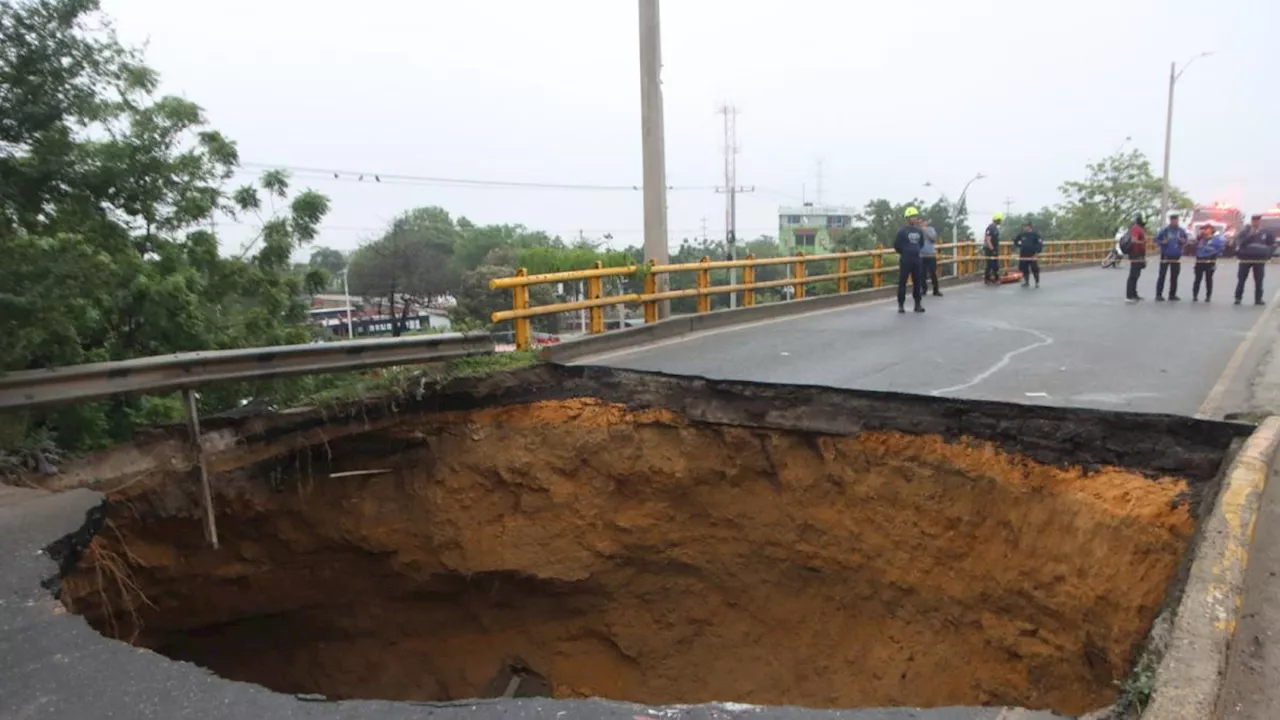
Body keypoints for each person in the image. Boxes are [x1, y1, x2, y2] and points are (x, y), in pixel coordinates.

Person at [1235, 213, 1276, 305]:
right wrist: (1251, 234)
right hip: (1245, 259)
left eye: (1257, 220)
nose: (1256, 222)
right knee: (1241, 279)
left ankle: (1258, 299)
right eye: (1254, 220)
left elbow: (1272, 244)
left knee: (1259, 280)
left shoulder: (1266, 232)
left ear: (1260, 221)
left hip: (1259, 259)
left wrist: (1268, 255)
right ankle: (1238, 297)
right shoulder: (1245, 231)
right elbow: (1240, 243)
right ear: (1251, 221)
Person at [894, 207, 927, 313]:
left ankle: (917, 304)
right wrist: (904, 252)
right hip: (905, 259)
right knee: (902, 282)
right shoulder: (902, 231)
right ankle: (901, 305)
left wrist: (915, 251)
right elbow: (896, 245)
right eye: (912, 216)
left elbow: (921, 243)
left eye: (916, 216)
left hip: (916, 259)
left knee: (917, 282)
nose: (915, 218)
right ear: (907, 218)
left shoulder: (919, 231)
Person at [1154, 212, 1189, 301]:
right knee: (1162, 275)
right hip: (1165, 255)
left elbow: (1186, 240)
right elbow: (1156, 239)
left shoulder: (1181, 231)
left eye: (1176, 221)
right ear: (1170, 221)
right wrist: (1162, 242)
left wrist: (1183, 240)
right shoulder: (1165, 230)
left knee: (1174, 276)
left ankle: (1172, 294)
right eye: (1173, 221)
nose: (1175, 222)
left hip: (1176, 256)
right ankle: (1159, 294)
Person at [1191, 223, 1225, 302]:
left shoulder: (1216, 240)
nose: (1204, 231)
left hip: (1210, 260)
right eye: (1203, 229)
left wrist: (1212, 253)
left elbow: (1220, 250)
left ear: (1211, 230)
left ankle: (1208, 296)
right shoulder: (1200, 239)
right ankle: (1195, 295)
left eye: (1206, 229)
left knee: (1208, 279)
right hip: (1199, 260)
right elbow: (1194, 248)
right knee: (1197, 279)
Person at [1125, 213, 1149, 302]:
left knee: (1137, 275)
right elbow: (1133, 240)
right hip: (1135, 254)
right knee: (1133, 275)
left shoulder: (1140, 229)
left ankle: (1134, 294)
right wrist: (1142, 241)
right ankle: (1129, 295)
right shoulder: (1136, 229)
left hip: (1140, 254)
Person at [1012, 220, 1043, 287]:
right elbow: (1015, 240)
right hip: (1023, 254)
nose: (1024, 227)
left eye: (1026, 226)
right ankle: (1026, 282)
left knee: (1034, 269)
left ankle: (1037, 282)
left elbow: (1040, 243)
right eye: (1024, 226)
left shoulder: (1035, 234)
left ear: (1029, 227)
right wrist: (1019, 245)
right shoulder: (1022, 234)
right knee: (1024, 268)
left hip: (1032, 255)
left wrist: (1037, 253)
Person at [919, 218, 942, 297]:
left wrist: (925, 231)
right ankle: (923, 290)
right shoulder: (918, 231)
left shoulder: (931, 229)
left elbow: (934, 239)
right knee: (922, 273)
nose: (921, 224)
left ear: (925, 222)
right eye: (920, 223)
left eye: (922, 222)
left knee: (933, 272)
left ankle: (936, 290)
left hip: (931, 254)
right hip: (921, 255)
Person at [983, 212, 1004, 284]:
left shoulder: (995, 228)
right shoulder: (990, 228)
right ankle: (987, 279)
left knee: (996, 265)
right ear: (997, 220)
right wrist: (992, 250)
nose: (1001, 221)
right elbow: (988, 240)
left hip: (995, 248)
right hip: (990, 249)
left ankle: (996, 278)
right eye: (1000, 220)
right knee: (990, 264)